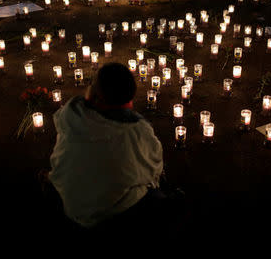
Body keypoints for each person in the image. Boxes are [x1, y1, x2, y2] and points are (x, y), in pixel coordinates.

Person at [48, 63, 183, 233]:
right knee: (161, 198)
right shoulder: (136, 131)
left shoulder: (72, 114)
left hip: (71, 203)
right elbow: (153, 168)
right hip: (110, 217)